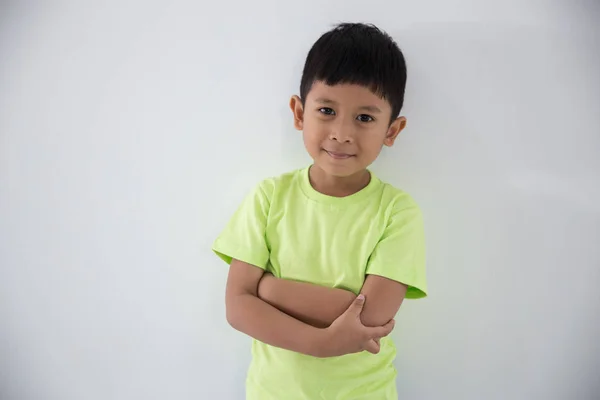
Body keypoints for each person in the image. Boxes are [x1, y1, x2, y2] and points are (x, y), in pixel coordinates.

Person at [212, 22, 428, 400]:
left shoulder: (397, 211)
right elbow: (237, 307)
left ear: (392, 131)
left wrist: (266, 288)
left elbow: (369, 317)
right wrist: (323, 341)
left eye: (364, 118)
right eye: (327, 110)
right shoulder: (269, 198)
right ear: (299, 112)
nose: (342, 133)